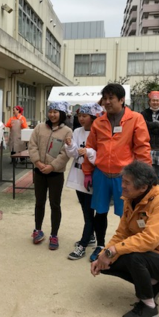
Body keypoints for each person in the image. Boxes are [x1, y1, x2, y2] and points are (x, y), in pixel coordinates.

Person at [91, 161, 159, 317]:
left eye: (127, 182)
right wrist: (105, 253)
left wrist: (114, 250)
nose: (122, 185)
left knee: (134, 257)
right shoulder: (129, 199)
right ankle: (156, 282)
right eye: (122, 180)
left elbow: (150, 239)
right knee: (106, 263)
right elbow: (121, 234)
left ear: (143, 187)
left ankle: (148, 307)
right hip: (152, 255)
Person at [83, 84, 151, 262]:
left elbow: (142, 147)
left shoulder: (135, 119)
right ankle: (100, 244)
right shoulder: (98, 122)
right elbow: (90, 148)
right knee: (100, 212)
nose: (106, 102)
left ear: (121, 100)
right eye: (104, 98)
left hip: (124, 176)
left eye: (110, 98)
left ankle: (126, 246)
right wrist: (87, 172)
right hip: (101, 174)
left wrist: (144, 176)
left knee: (127, 213)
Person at [28, 101, 72, 250]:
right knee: (39, 202)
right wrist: (38, 163)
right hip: (39, 171)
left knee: (55, 204)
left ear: (62, 114)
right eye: (50, 111)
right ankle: (37, 230)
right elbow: (32, 145)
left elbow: (66, 152)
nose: (52, 114)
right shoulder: (39, 128)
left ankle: (54, 234)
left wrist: (52, 166)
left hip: (56, 174)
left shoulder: (67, 131)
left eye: (56, 112)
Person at [64, 103, 103, 260]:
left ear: (93, 117)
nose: (81, 119)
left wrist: (87, 151)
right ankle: (91, 236)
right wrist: (70, 145)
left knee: (90, 213)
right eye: (79, 116)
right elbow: (73, 154)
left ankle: (83, 244)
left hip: (93, 177)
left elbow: (99, 157)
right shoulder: (77, 131)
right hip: (79, 176)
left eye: (84, 116)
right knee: (85, 210)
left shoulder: (98, 132)